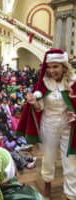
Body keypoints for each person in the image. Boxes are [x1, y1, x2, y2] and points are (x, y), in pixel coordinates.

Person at [16, 49, 76, 200]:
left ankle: (71, 194)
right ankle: (47, 184)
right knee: (48, 158)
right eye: (48, 67)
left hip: (68, 127)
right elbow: (39, 107)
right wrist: (34, 103)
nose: (51, 70)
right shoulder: (44, 83)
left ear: (64, 66)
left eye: (55, 66)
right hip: (48, 125)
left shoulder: (73, 82)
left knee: (71, 161)